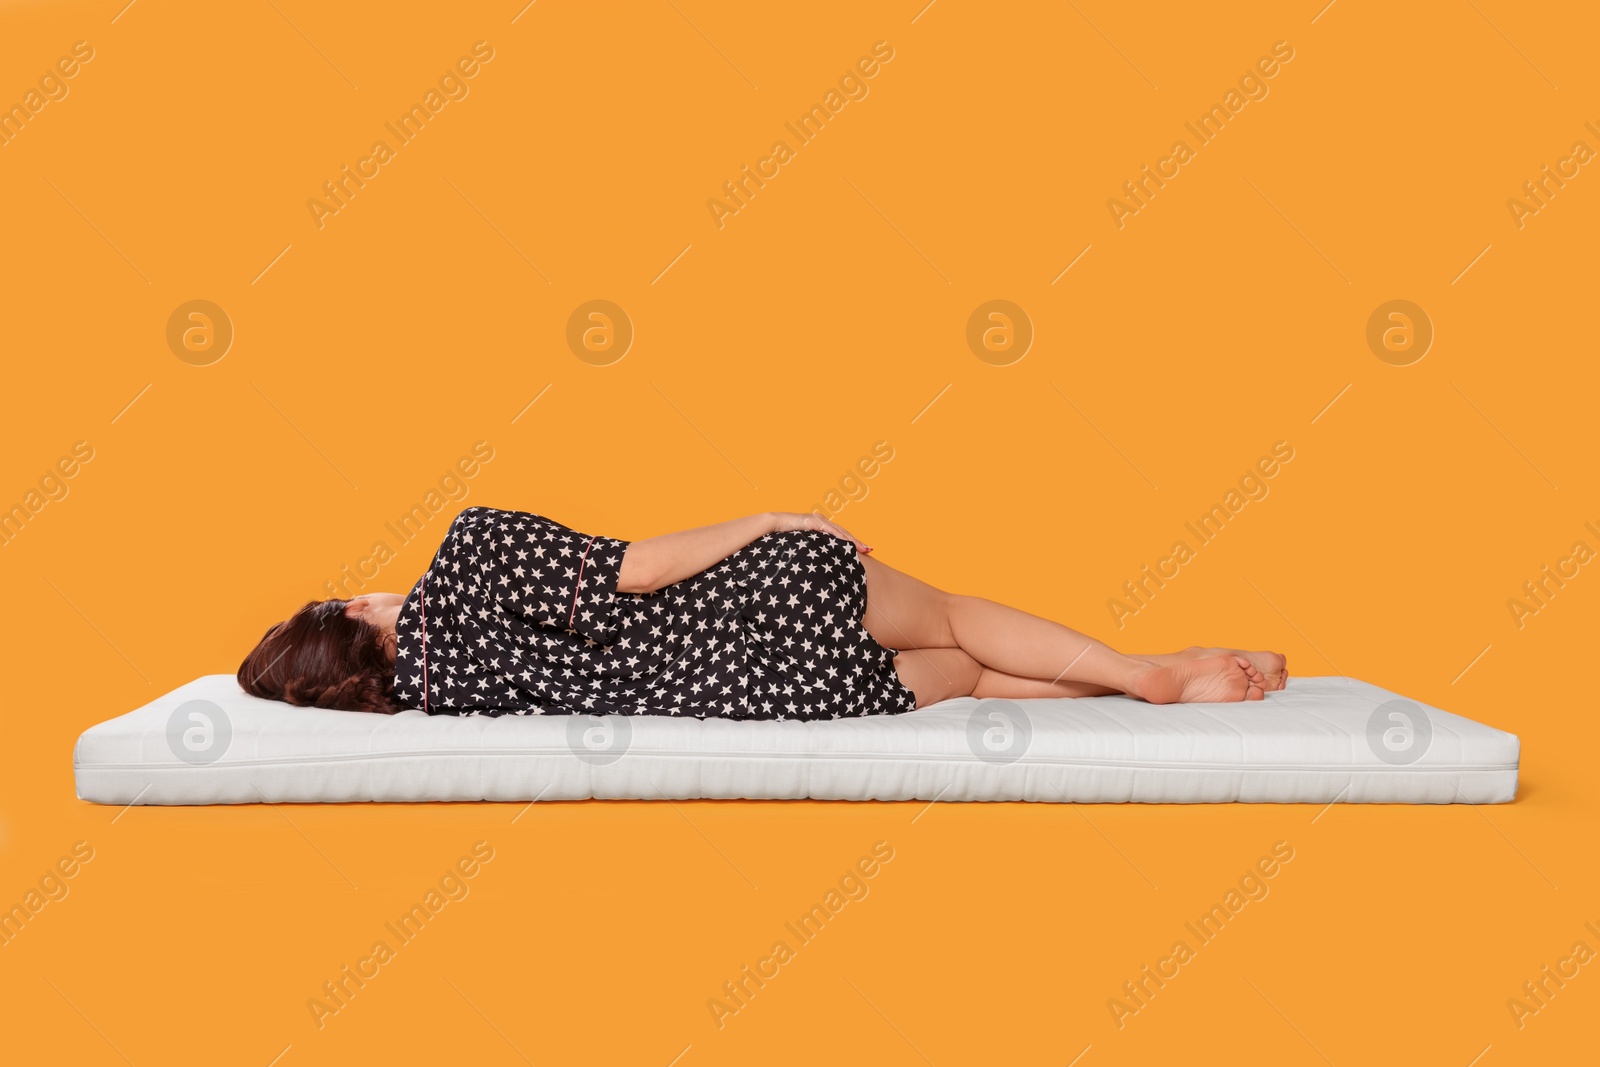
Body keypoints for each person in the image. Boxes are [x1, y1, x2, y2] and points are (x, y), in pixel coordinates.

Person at [238, 507, 1285, 719]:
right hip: (761, 595)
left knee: (961, 669)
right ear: (351, 605)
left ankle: (1176, 668)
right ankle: (1145, 668)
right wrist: (765, 520)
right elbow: (635, 569)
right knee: (959, 613)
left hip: (762, 691)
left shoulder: (441, 694)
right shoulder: (465, 552)